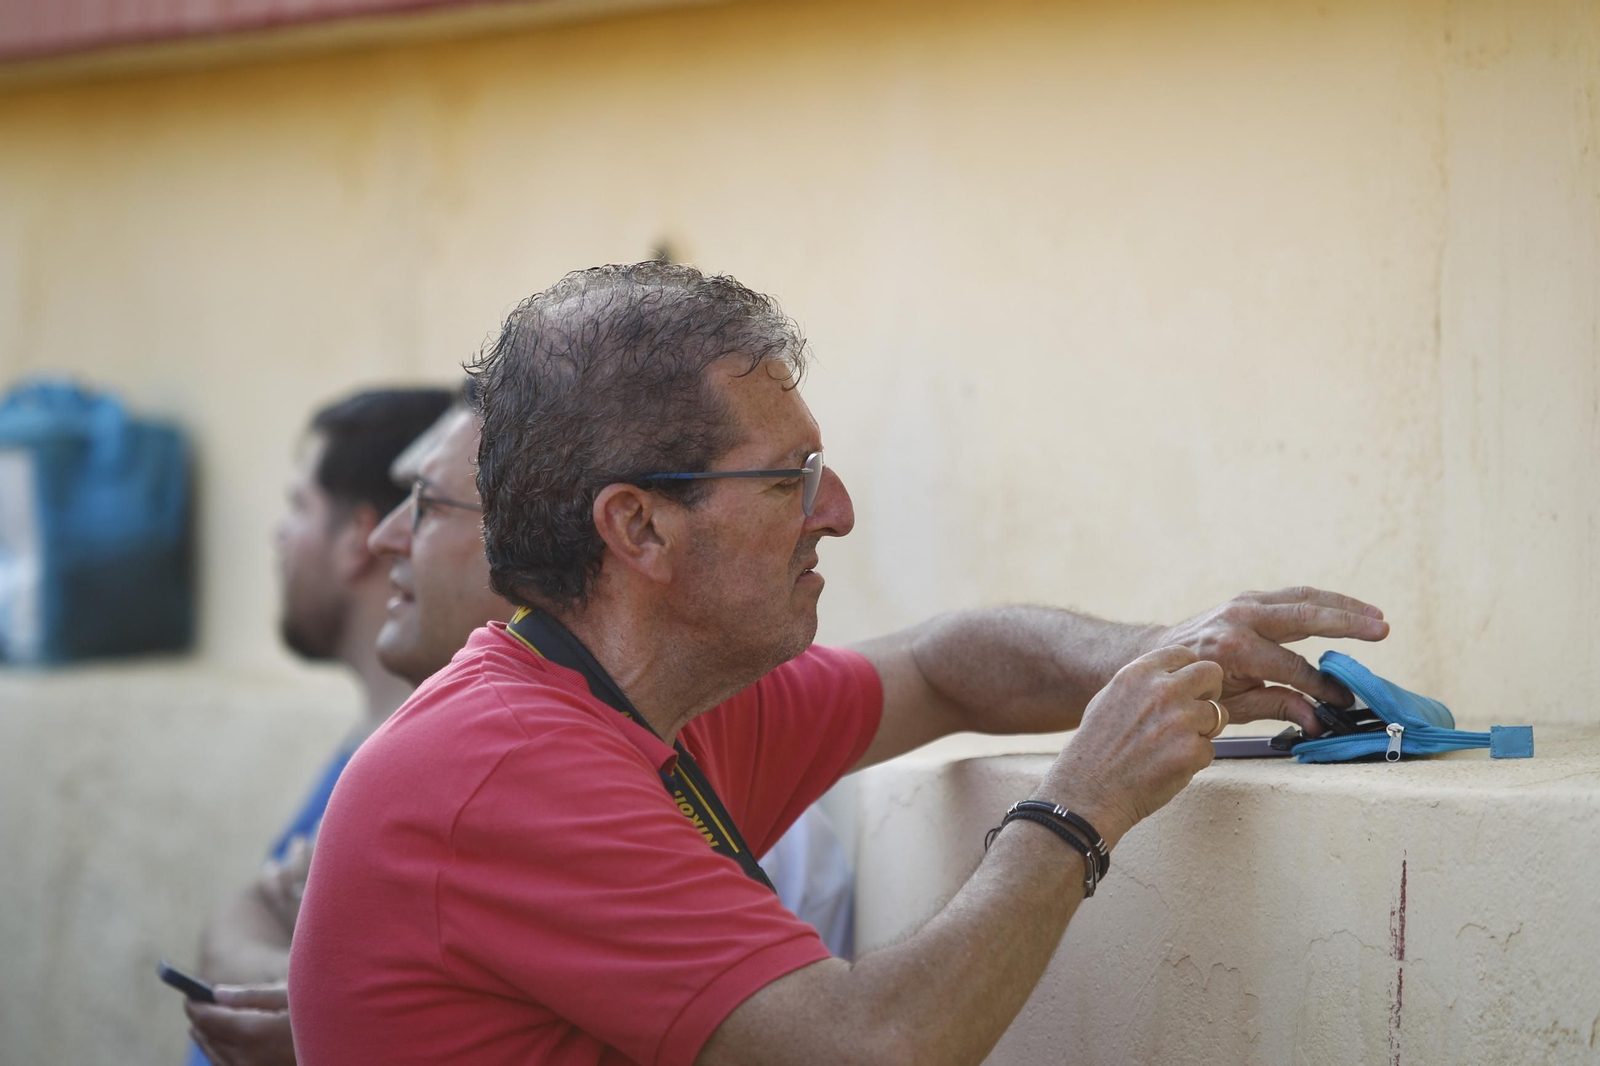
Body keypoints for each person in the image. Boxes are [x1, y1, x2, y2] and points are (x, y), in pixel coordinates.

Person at [289, 262, 1389, 1066]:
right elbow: (878, 1048)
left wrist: (1165, 657)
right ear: (639, 530)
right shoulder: (508, 764)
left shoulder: (645, 697)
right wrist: (1079, 805)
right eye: (788, 478)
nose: (839, 512)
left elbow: (948, 663)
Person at [182, 387, 453, 1066]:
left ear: (359, 537)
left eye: (298, 506)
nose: (279, 534)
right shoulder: (366, 748)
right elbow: (247, 918)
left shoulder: (434, 770)